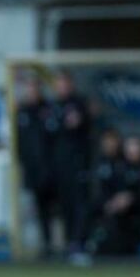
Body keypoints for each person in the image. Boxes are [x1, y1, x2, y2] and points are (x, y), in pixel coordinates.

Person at [48, 71, 92, 264]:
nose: (62, 87)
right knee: (64, 206)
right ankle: (68, 244)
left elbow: (75, 124)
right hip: (60, 166)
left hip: (78, 163)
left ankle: (80, 244)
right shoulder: (53, 105)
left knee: (80, 205)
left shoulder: (79, 103)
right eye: (59, 83)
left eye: (65, 82)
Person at [16, 77, 56, 254]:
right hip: (32, 168)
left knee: (53, 206)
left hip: (51, 167)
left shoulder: (48, 109)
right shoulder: (22, 111)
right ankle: (43, 244)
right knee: (37, 207)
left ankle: (58, 243)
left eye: (34, 88)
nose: (31, 91)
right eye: (28, 88)